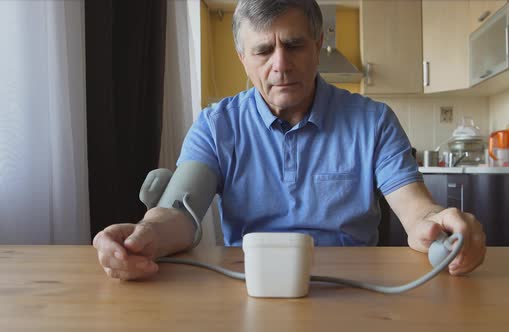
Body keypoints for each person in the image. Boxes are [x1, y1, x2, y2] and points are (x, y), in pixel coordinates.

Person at [93, 0, 486, 281]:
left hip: (354, 287)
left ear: (318, 45)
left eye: (294, 44)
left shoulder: (374, 121)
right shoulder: (216, 125)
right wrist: (144, 234)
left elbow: (416, 211)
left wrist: (437, 225)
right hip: (254, 283)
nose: (280, 64)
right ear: (243, 59)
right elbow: (179, 212)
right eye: (263, 50)